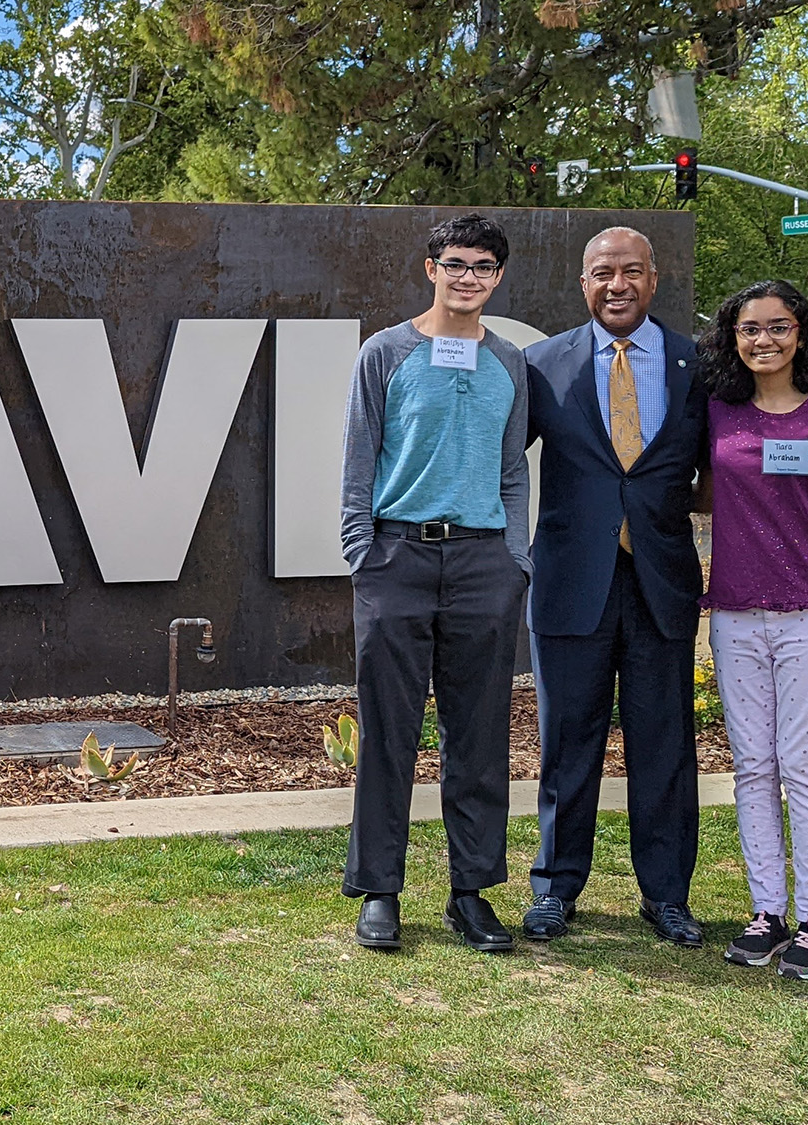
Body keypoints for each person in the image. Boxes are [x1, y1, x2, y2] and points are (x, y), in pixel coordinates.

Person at [339, 213, 531, 952]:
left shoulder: (510, 363)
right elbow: (361, 461)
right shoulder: (386, 352)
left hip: (484, 563)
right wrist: (364, 550)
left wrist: (516, 554)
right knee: (388, 730)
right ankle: (380, 890)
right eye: (455, 263)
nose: (468, 277)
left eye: (483, 266)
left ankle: (470, 893)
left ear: (497, 278)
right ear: (431, 269)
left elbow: (513, 467)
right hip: (397, 558)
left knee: (477, 734)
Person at [522, 227, 708, 947]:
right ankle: (555, 889)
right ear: (583, 282)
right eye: (603, 272)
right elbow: (502, 461)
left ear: (654, 280)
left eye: (632, 271)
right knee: (568, 745)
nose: (617, 284)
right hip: (571, 584)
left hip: (661, 582)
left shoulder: (698, 364)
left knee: (665, 745)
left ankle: (666, 895)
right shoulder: (542, 364)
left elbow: (721, 465)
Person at [696, 280, 808, 980]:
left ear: (801, 335)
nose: (763, 339)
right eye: (749, 328)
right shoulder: (719, 415)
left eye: (778, 327)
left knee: (806, 765)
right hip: (734, 614)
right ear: (733, 338)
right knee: (752, 765)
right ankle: (767, 913)